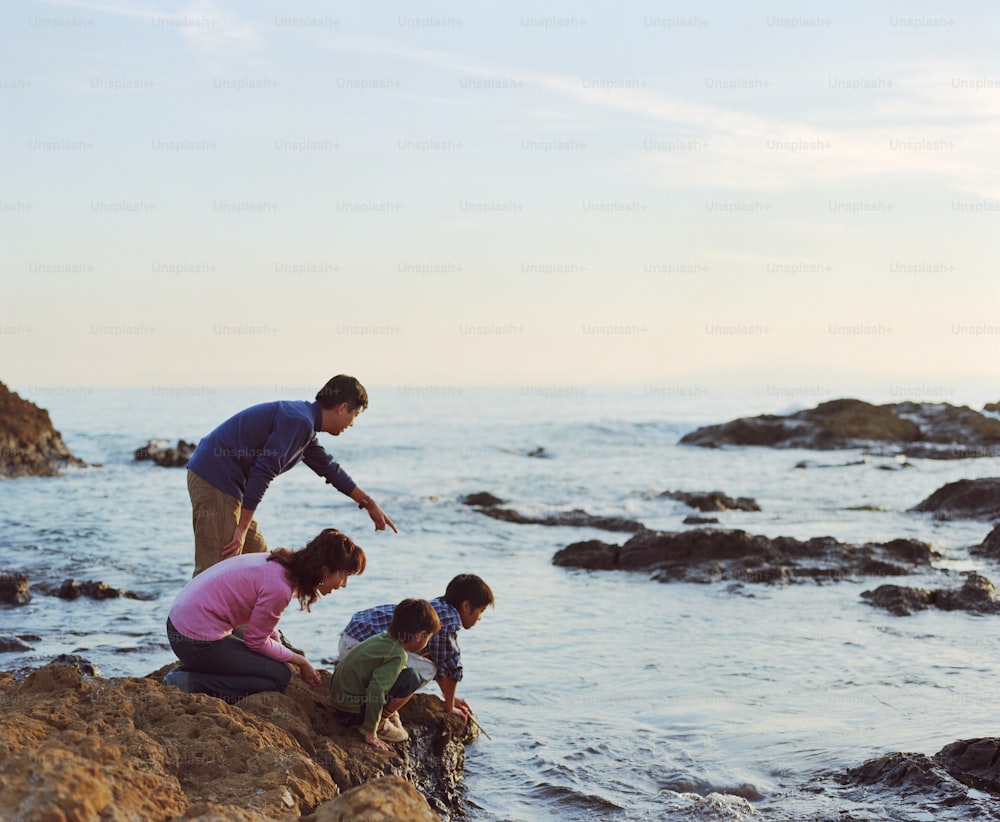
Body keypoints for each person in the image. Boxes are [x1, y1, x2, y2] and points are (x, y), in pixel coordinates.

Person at [186, 374, 396, 576]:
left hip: (227, 486)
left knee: (262, 563)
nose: (352, 424)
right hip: (215, 479)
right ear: (342, 408)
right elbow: (263, 472)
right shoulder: (299, 421)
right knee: (214, 570)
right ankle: (191, 613)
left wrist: (369, 503)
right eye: (354, 416)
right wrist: (241, 529)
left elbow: (330, 469)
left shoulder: (305, 426)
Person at [163, 528, 365, 702]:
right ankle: (190, 682)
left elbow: (264, 625)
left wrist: (283, 650)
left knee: (275, 661)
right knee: (279, 676)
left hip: (181, 625)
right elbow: (256, 641)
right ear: (324, 571)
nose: (344, 584)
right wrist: (300, 661)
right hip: (193, 641)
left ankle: (198, 672)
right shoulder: (280, 587)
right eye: (344, 575)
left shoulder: (280, 565)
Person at [338, 574, 493, 722]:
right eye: (481, 611)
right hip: (361, 646)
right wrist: (450, 707)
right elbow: (450, 668)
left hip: (351, 638)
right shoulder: (448, 622)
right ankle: (384, 716)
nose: (480, 618)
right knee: (427, 670)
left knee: (424, 663)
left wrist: (449, 697)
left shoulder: (434, 607)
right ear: (466, 606)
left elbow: (439, 659)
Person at [330, 598, 442, 750]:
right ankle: (379, 723)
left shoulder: (383, 638)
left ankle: (383, 716)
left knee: (402, 673)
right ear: (419, 635)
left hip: (339, 702)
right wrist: (370, 731)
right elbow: (376, 690)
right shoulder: (398, 654)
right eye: (428, 637)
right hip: (351, 712)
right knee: (413, 678)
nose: (427, 642)